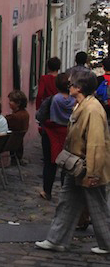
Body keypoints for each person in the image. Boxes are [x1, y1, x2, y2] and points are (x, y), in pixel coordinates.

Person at [36, 69, 110, 254]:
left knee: (98, 207)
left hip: (87, 167)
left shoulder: (92, 110)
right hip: (76, 166)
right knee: (67, 203)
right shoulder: (82, 105)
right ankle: (56, 240)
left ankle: (107, 243)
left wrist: (93, 173)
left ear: (79, 87)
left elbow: (95, 144)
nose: (68, 86)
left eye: (71, 84)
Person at [37, 73, 76, 201]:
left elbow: (40, 116)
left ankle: (47, 191)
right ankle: (66, 193)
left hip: (51, 133)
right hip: (68, 133)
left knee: (49, 163)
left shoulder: (52, 99)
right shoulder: (75, 101)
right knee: (67, 164)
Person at [5, 90, 29, 161]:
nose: (9, 103)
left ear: (18, 103)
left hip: (9, 142)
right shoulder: (25, 114)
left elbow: (5, 121)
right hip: (17, 143)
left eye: (11, 101)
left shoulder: (14, 117)